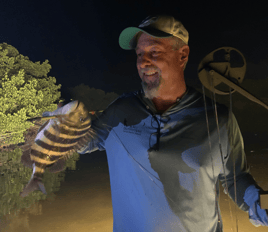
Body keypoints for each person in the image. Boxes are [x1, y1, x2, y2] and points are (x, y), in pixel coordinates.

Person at [43, 15, 268, 231]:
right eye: (139, 54)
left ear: (183, 55)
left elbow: (236, 178)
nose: (144, 62)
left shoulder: (218, 118)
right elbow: (81, 142)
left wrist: (263, 205)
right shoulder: (120, 110)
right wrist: (56, 126)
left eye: (154, 52)